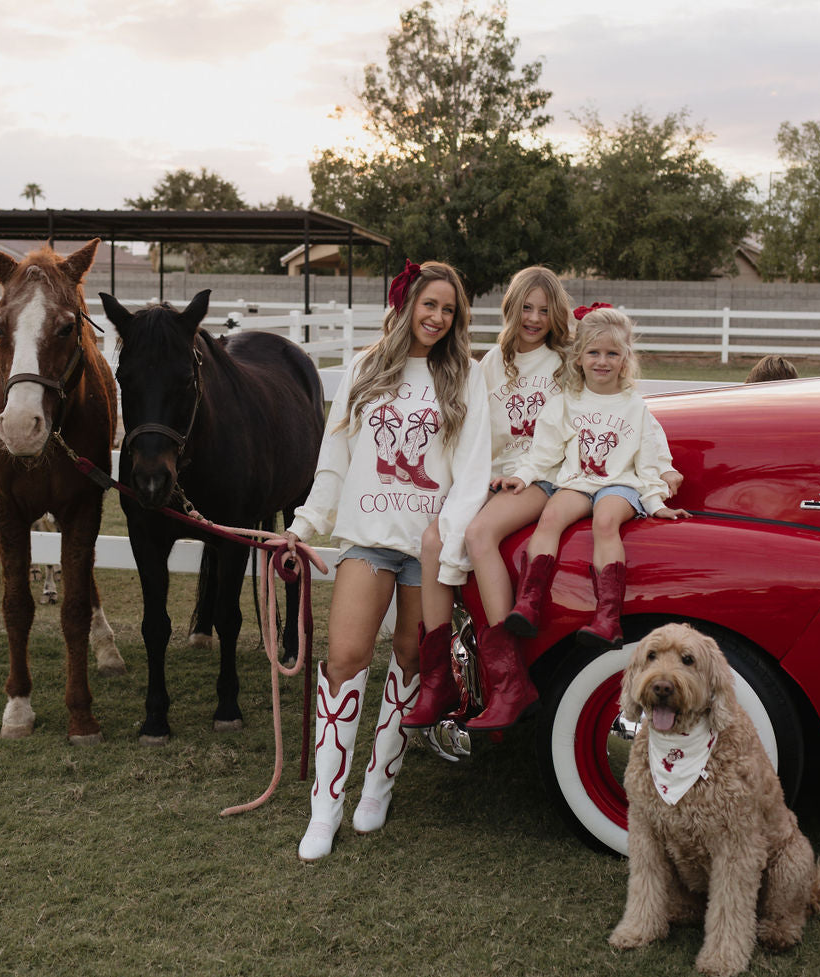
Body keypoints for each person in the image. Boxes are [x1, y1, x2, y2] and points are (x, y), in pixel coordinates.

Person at [280, 259, 490, 862]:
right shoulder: (367, 367)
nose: (437, 318)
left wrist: (447, 537)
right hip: (368, 538)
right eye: (430, 305)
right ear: (407, 304)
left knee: (409, 657)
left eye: (449, 310)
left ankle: (380, 782)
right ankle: (326, 806)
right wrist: (303, 527)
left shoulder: (466, 378)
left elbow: (473, 471)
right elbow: (335, 458)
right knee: (345, 659)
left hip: (431, 543)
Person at [404, 266, 574, 735]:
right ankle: (438, 682)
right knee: (433, 542)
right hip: (492, 476)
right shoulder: (489, 366)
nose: (534, 318)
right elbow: (476, 436)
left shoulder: (564, 365)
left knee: (480, 533)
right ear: (511, 308)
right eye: (526, 307)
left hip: (543, 476)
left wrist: (522, 474)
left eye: (544, 310)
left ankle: (509, 682)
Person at [500, 305, 689, 648]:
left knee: (605, 521)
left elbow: (650, 452)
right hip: (579, 482)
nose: (602, 361)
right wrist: (523, 476)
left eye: (612, 354)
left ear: (625, 359)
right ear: (579, 357)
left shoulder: (634, 406)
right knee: (551, 516)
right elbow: (544, 451)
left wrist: (657, 495)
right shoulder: (566, 402)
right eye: (594, 352)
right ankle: (528, 602)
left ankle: (607, 618)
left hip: (621, 485)